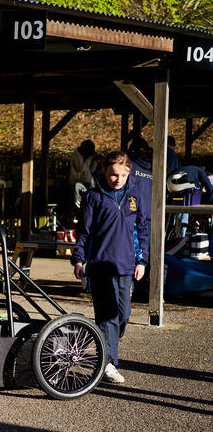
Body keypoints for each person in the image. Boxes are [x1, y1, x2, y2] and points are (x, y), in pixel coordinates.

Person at [72, 151, 148, 384]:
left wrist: (141, 261)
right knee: (107, 317)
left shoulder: (135, 197)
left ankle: (106, 343)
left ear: (128, 173)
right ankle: (108, 363)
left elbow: (142, 230)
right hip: (101, 266)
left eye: (122, 175)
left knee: (123, 315)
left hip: (127, 266)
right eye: (113, 175)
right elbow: (84, 232)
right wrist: (78, 258)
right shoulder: (93, 197)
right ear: (105, 172)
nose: (117, 179)